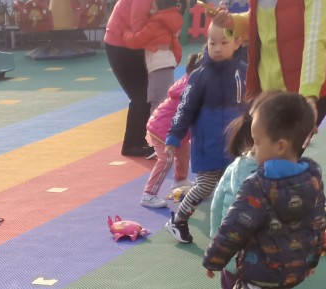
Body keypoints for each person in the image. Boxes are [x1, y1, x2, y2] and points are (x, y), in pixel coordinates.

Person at [187, 91, 326, 289]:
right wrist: (311, 260)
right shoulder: (312, 176)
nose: (253, 148)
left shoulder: (259, 185)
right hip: (291, 271)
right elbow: (317, 223)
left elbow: (234, 227)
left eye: (258, 142)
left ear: (280, 145)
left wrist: (214, 259)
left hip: (258, 271)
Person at [164, 12, 247, 244]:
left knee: (237, 186)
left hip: (236, 145)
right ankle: (178, 220)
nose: (217, 48)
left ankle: (230, 228)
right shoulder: (200, 75)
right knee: (205, 186)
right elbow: (185, 107)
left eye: (224, 42)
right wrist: (174, 136)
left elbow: (253, 104)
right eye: (212, 43)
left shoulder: (244, 72)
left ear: (237, 43)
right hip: (208, 144)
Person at [208, 100, 265, 289]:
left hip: (230, 253)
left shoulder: (236, 166)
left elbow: (217, 204)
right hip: (248, 256)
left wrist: (216, 246)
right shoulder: (258, 174)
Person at [245, 0, 326, 127]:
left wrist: (308, 97)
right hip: (267, 89)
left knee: (277, 138)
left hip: (301, 91)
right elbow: (265, 19)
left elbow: (315, 38)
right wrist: (233, 23)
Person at [141, 52, 200, 209]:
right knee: (166, 159)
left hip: (174, 129)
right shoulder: (191, 89)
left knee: (184, 151)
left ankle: (180, 180)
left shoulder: (191, 83)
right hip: (163, 129)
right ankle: (148, 194)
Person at [105, 0, 159, 157]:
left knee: (145, 94)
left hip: (129, 44)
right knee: (141, 95)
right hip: (121, 45)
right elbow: (137, 29)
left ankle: (138, 141)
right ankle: (132, 144)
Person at [123, 0, 184, 113]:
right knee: (164, 101)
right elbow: (176, 46)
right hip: (167, 66)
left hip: (157, 67)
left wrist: (126, 33)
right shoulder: (171, 23)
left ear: (157, 7)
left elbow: (136, 40)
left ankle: (156, 124)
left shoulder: (155, 24)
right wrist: (175, 60)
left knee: (157, 104)